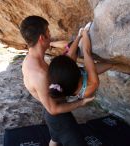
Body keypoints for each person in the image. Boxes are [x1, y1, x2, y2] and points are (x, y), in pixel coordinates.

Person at [20, 16, 96, 146]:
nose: (50, 35)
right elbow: (53, 109)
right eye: (48, 32)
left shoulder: (30, 59)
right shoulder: (40, 73)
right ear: (41, 38)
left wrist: (78, 38)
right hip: (59, 117)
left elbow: (68, 58)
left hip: (48, 109)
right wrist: (81, 102)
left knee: (55, 139)